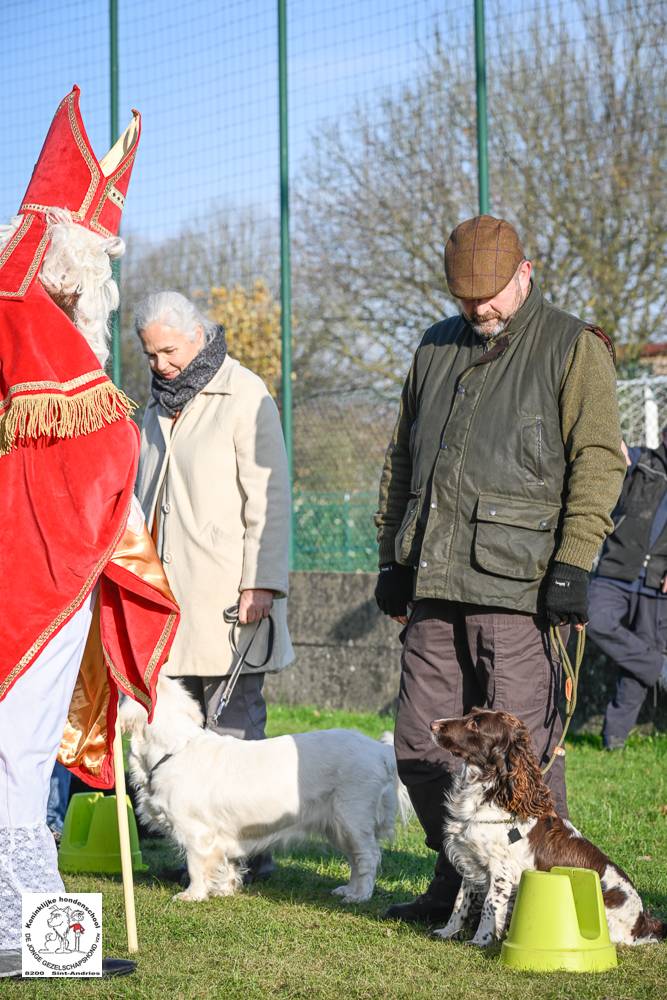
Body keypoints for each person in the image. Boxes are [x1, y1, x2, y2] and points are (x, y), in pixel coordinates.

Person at [374, 214, 625, 925]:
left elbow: (599, 460)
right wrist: (391, 555)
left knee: (522, 755)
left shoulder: (572, 346)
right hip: (429, 582)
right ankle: (456, 879)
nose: (478, 309)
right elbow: (401, 458)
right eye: (464, 299)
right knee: (421, 741)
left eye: (490, 295)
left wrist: (573, 562)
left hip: (519, 585)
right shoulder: (432, 348)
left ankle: (549, 899)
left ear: (526, 271)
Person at [0, 86, 180, 979]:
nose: (101, 281)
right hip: (33, 574)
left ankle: (27, 910)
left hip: (40, 562)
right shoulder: (33, 320)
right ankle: (16, 912)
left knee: (23, 746)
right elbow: (95, 452)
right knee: (17, 741)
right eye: (100, 258)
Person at [134, 291, 294, 879]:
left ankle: (252, 852)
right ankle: (199, 849)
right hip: (166, 599)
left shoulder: (244, 391)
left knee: (234, 726)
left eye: (168, 351)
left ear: (198, 335)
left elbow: (270, 498)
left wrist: (263, 583)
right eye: (150, 355)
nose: (160, 365)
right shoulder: (152, 409)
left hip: (232, 595)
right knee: (178, 729)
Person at [588, 430, 667, 749]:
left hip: (656, 584)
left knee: (637, 668)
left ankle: (614, 741)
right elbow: (616, 450)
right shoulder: (644, 461)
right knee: (594, 618)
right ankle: (660, 668)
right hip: (616, 570)